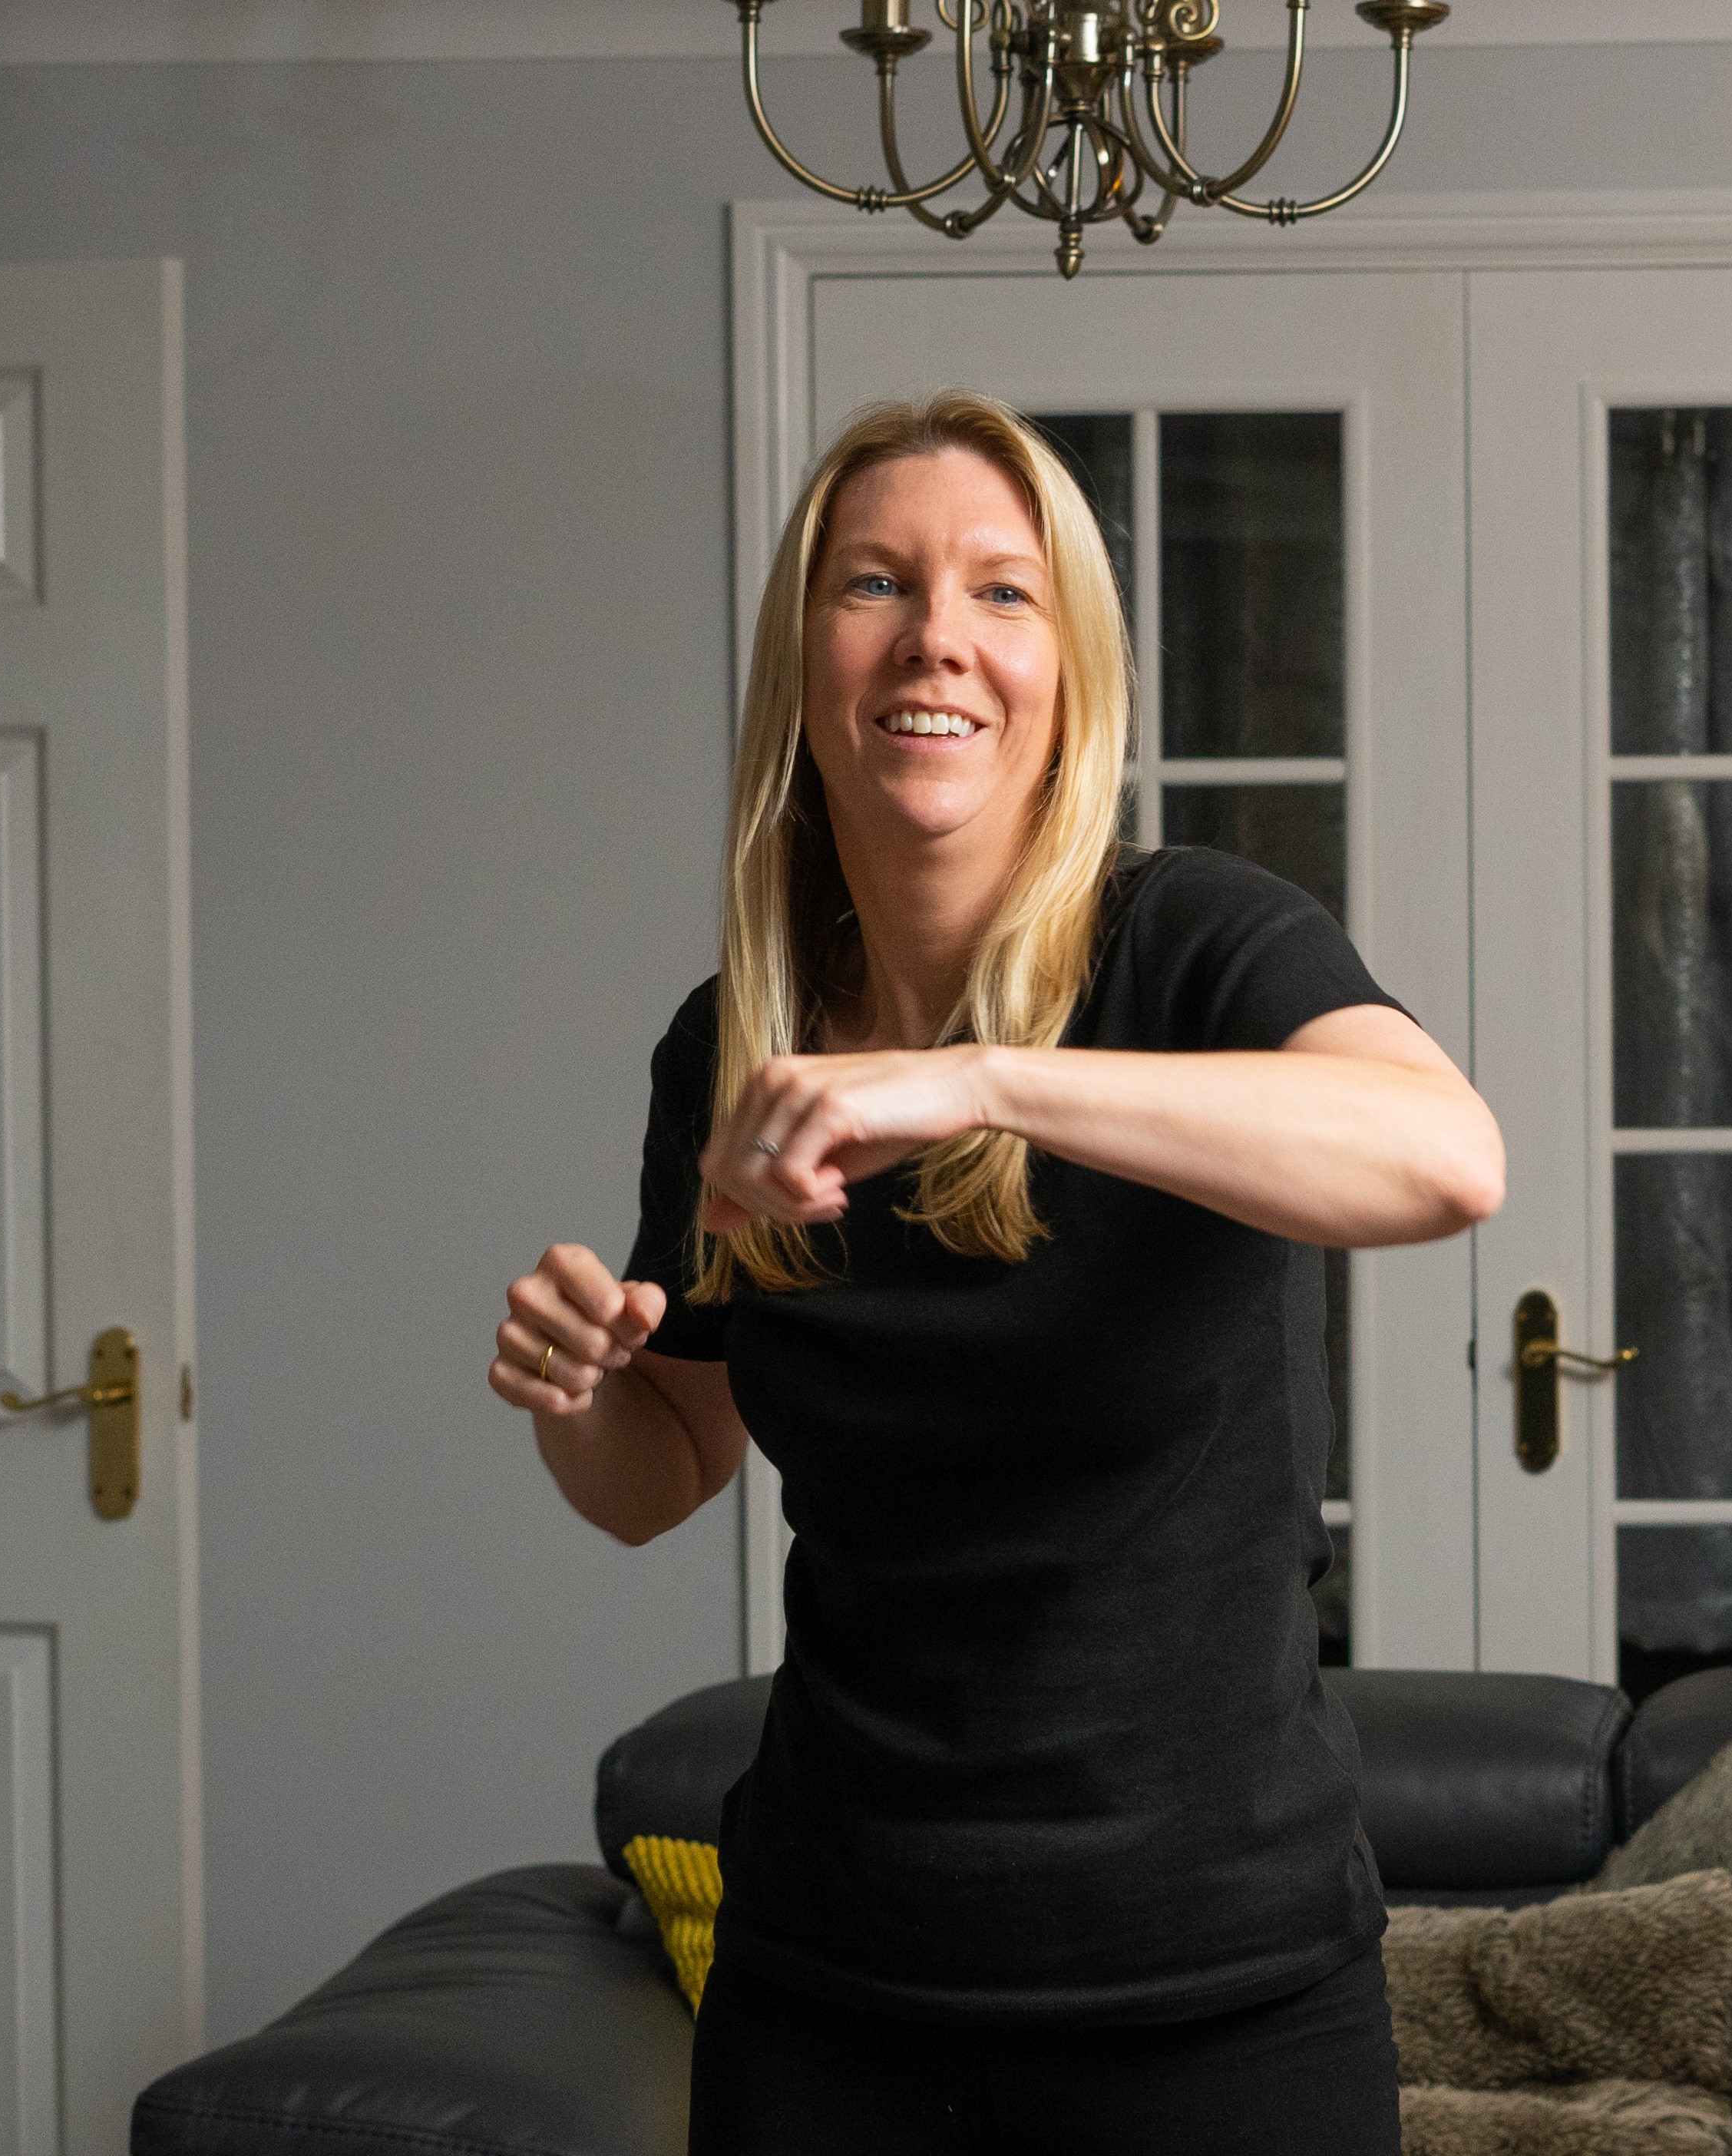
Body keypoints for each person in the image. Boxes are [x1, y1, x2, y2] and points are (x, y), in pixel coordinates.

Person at [481, 392, 1502, 2154]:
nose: (936, 636)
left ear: (1066, 675)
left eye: (1000, 593)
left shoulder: (1196, 943)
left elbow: (1443, 1159)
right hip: (834, 1984)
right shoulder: (735, 1044)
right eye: (874, 584)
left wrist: (978, 1076)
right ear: (808, 663)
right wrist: (584, 1395)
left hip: (1219, 1989)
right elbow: (667, 1467)